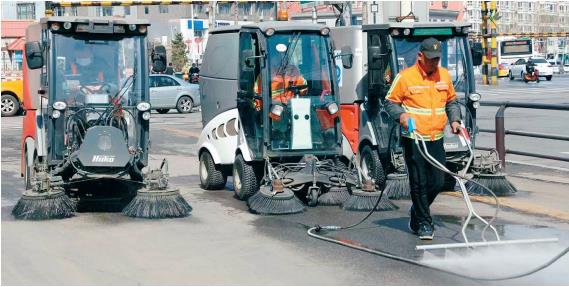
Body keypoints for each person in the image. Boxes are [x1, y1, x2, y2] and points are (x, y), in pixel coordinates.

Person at [384, 37, 462, 240]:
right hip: (414, 138)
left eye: (437, 59)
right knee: (418, 182)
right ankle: (425, 224)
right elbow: (390, 103)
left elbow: (452, 102)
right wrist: (402, 116)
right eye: (430, 59)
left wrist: (455, 120)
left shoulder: (444, 75)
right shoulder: (405, 77)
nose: (434, 63)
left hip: (436, 138)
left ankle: (417, 212)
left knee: (438, 182)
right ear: (420, 56)